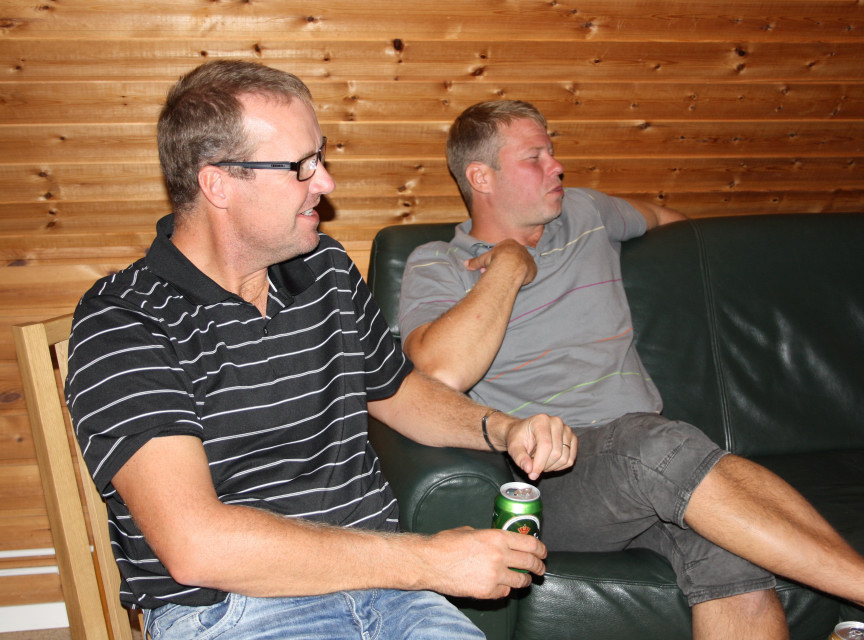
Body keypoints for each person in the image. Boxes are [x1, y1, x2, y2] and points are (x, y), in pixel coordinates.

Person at [397, 99, 864, 640]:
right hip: (553, 476)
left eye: (553, 151)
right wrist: (509, 266)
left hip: (651, 462)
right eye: (535, 157)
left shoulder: (587, 212)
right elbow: (441, 371)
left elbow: (672, 223)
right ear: (482, 177)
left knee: (734, 559)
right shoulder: (438, 263)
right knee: (655, 445)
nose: (557, 165)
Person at [64, 62, 578, 640]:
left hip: (389, 596)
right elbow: (195, 545)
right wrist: (429, 560)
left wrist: (503, 429)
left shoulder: (324, 268)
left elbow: (398, 392)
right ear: (218, 185)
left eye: (322, 156)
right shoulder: (126, 319)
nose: (326, 182)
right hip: (232, 611)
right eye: (301, 166)